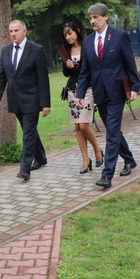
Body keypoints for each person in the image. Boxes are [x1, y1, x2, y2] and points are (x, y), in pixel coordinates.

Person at [75, 4, 139, 189]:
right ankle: (129, 159)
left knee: (111, 132)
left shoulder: (119, 36)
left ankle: (107, 175)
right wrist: (81, 93)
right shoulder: (87, 42)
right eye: (90, 18)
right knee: (114, 131)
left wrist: (134, 86)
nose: (92, 21)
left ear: (105, 17)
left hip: (117, 92)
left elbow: (129, 63)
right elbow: (85, 70)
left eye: (95, 17)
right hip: (99, 93)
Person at [0, 20, 51, 182]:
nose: (13, 34)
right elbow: (1, 77)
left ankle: (24, 169)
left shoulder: (36, 50)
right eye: (11, 31)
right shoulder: (6, 51)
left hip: (32, 99)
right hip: (16, 100)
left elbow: (43, 79)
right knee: (29, 131)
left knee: (28, 134)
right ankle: (41, 157)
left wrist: (45, 104)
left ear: (24, 31)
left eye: (16, 30)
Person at [61, 21, 104, 174]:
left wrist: (77, 66)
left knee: (84, 124)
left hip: (88, 89)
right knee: (77, 127)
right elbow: (65, 73)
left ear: (77, 31)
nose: (68, 37)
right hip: (73, 89)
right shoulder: (66, 50)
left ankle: (98, 151)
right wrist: (68, 67)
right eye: (65, 35)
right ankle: (86, 159)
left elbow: (92, 66)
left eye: (70, 33)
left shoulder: (87, 45)